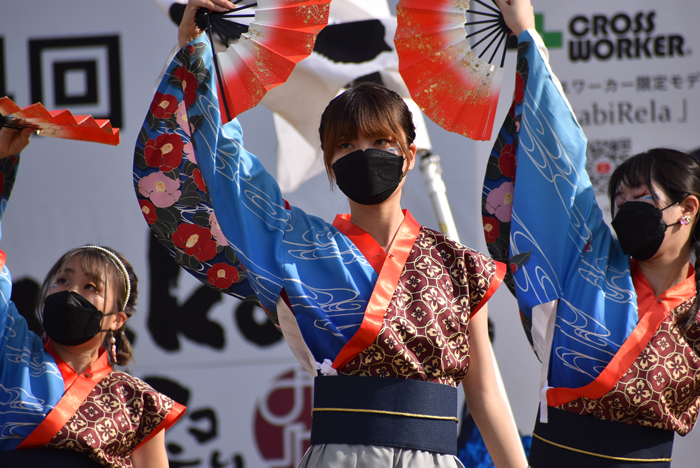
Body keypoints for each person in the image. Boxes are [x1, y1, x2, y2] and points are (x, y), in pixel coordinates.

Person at [132, 0, 528, 466]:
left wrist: (527, 39)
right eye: (346, 144)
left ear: (409, 153)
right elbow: (226, 165)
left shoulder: (459, 266)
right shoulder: (296, 246)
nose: (365, 153)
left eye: (381, 141)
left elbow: (485, 396)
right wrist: (194, 51)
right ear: (329, 165)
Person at [482, 0, 700, 466]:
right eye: (617, 200)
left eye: (640, 197)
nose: (624, 209)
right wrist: (528, 38)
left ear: (688, 209)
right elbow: (560, 163)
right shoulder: (588, 261)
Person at [0, 126, 186, 467]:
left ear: (117, 318)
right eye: (61, 280)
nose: (70, 291)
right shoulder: (10, 350)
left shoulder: (138, 402)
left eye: (91, 287)